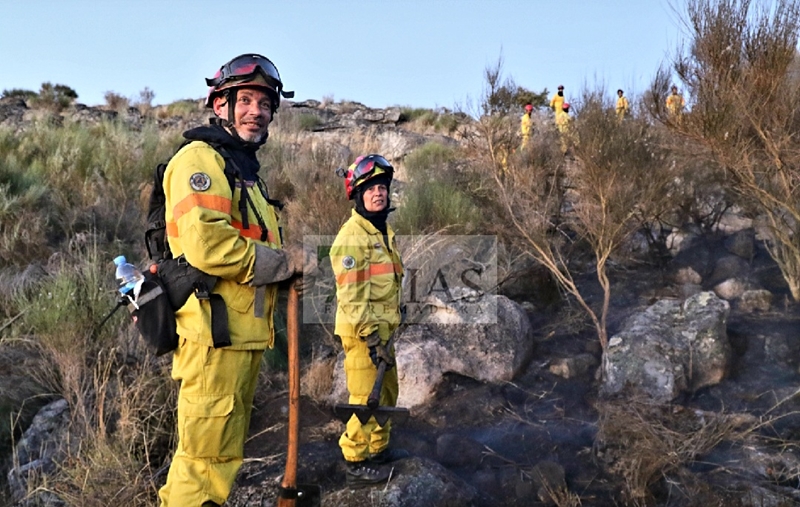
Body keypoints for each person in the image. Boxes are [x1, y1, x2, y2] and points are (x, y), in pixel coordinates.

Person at [157, 53, 315, 506]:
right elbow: (210, 247)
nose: (256, 111)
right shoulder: (199, 161)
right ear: (220, 105)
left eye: (264, 104)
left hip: (242, 337)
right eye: (244, 100)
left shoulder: (245, 172)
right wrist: (284, 264)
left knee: (219, 457)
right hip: (214, 339)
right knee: (204, 462)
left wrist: (285, 278)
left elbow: (255, 249)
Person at [331, 154, 407, 487]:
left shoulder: (381, 232)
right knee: (365, 398)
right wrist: (371, 336)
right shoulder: (353, 235)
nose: (378, 193)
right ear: (357, 195)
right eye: (370, 188)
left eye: (382, 187)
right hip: (364, 334)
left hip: (383, 332)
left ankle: (377, 449)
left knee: (387, 394)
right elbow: (352, 296)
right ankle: (355, 460)